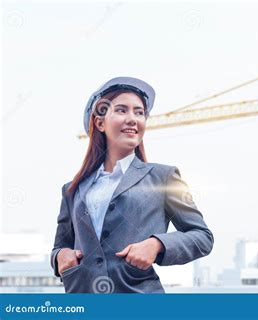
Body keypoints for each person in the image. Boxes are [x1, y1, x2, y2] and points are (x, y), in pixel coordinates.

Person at [50, 77, 213, 293]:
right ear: (100, 123)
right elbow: (60, 246)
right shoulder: (73, 189)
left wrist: (157, 245)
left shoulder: (163, 177)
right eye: (121, 110)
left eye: (139, 112)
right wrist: (60, 257)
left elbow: (202, 237)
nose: (132, 119)